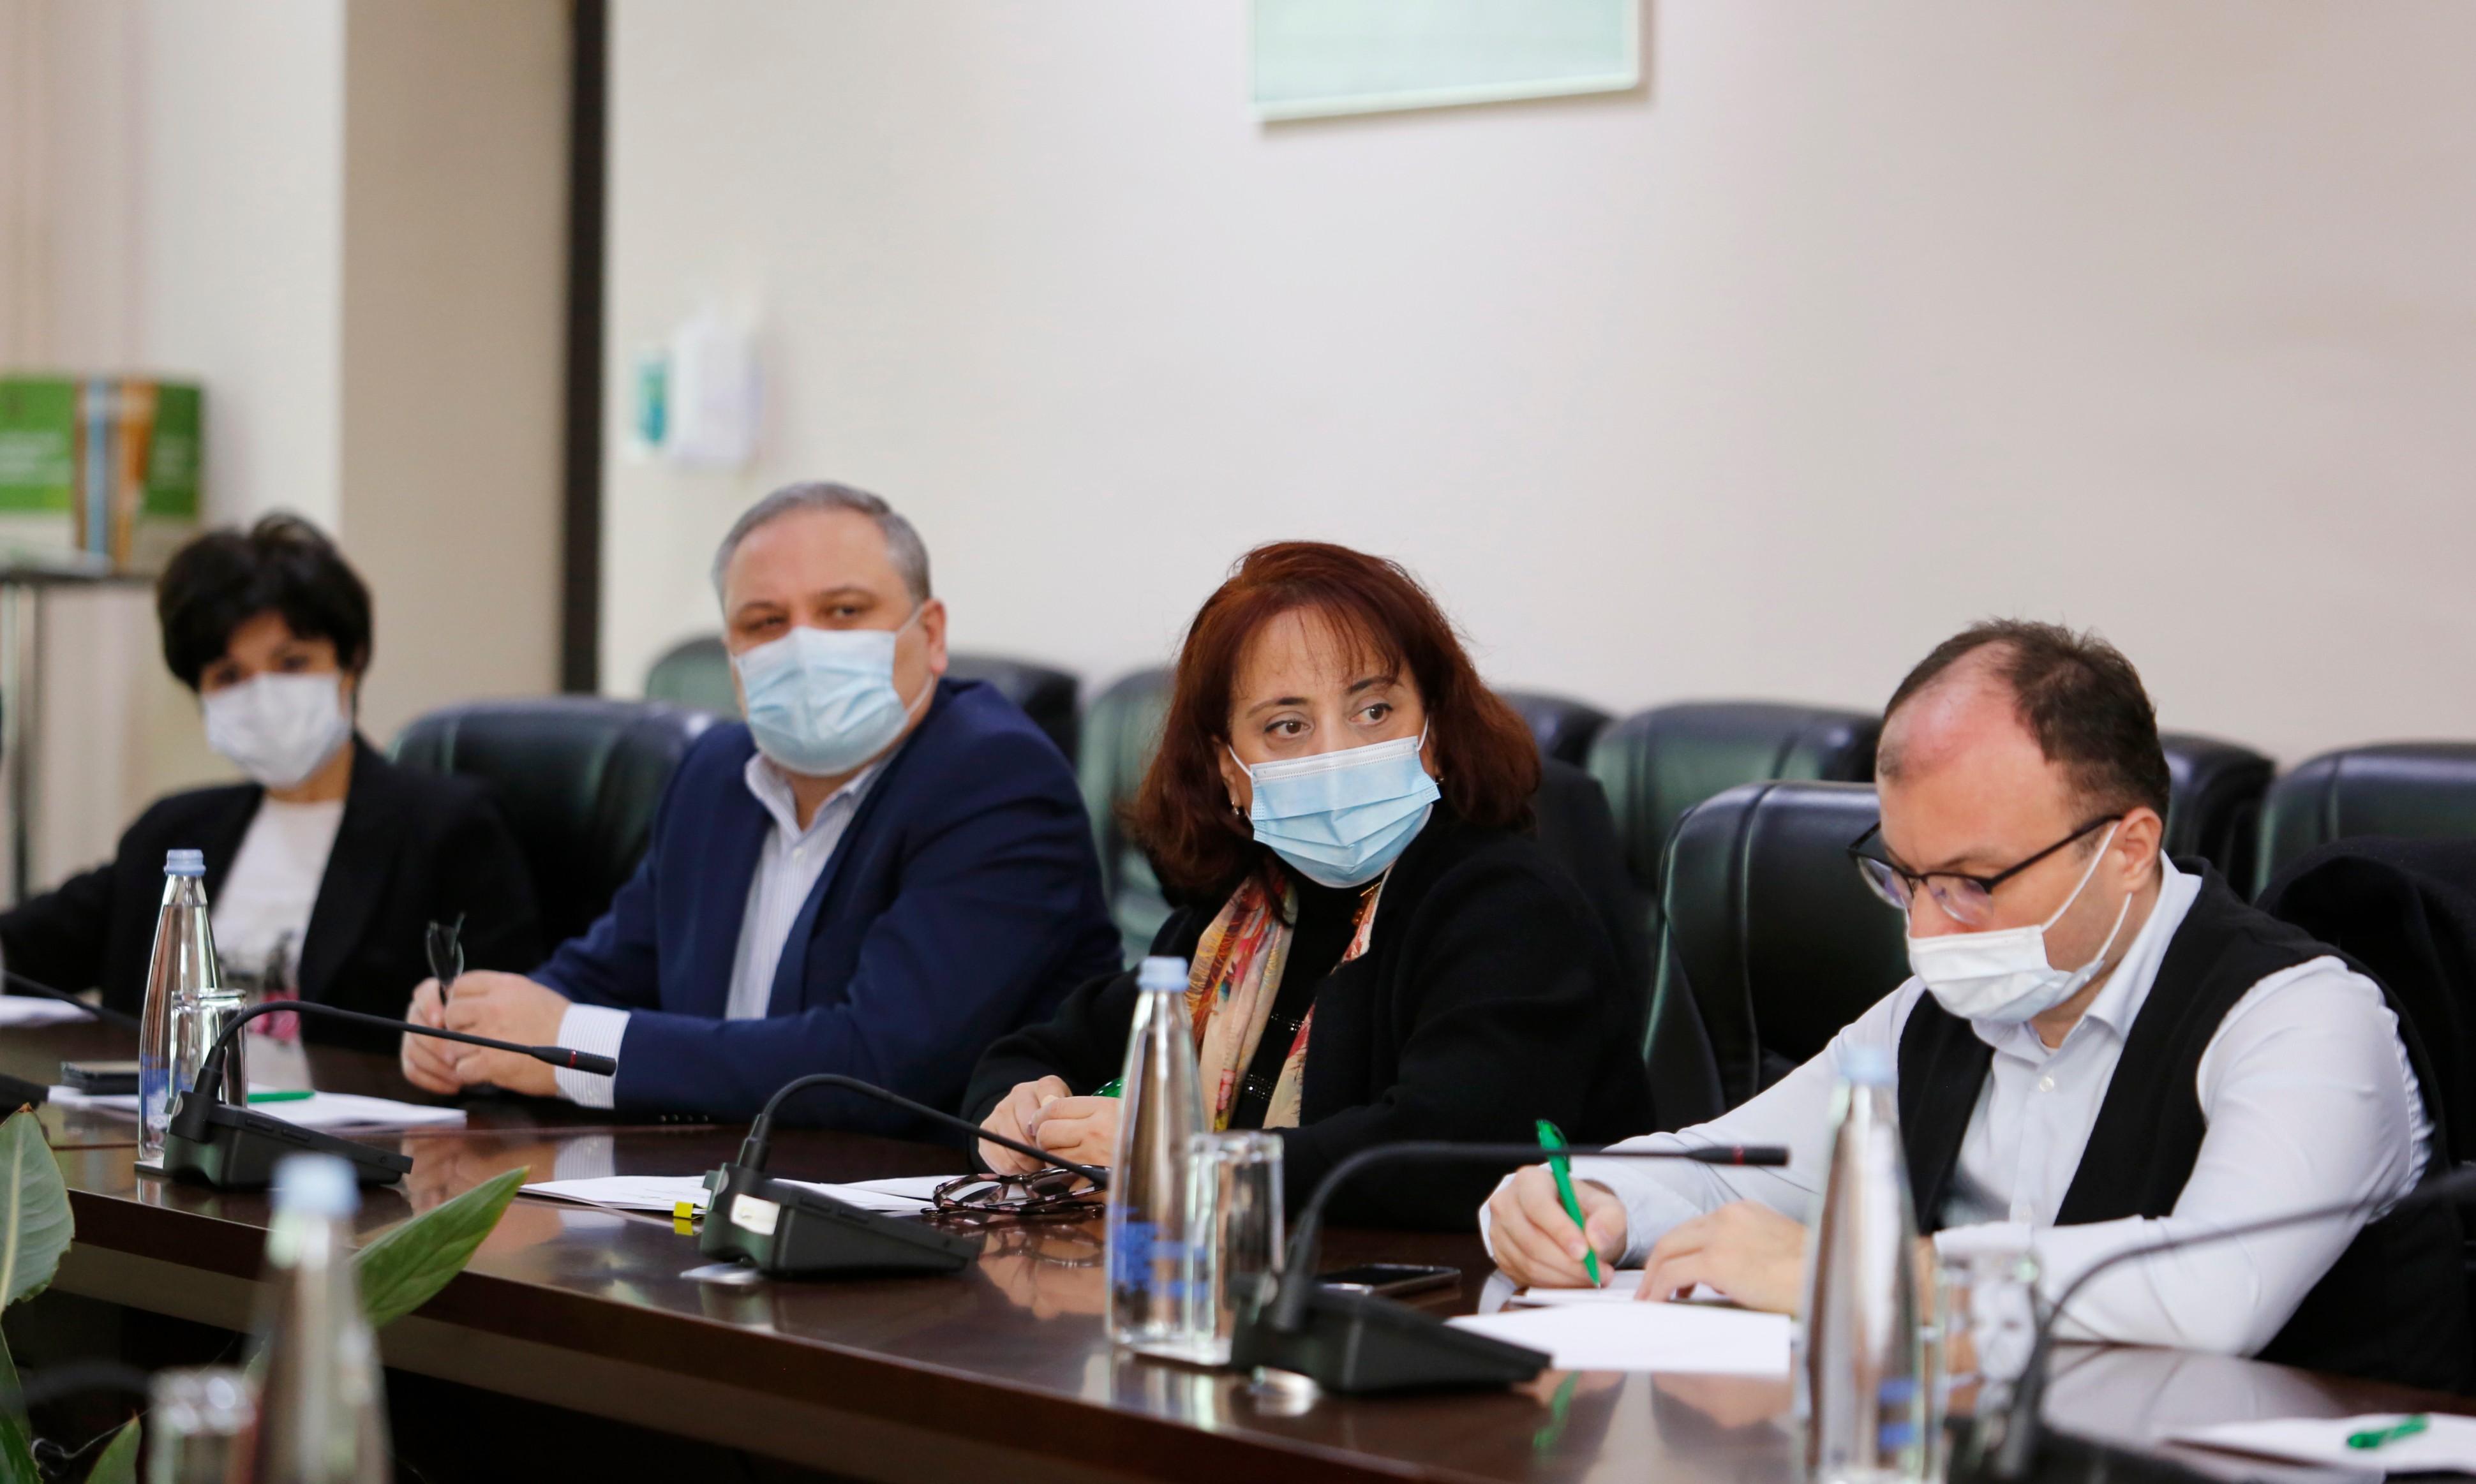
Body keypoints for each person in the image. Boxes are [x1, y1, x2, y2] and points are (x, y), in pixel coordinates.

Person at [1483, 620, 2465, 1389]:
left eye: (1973, 882)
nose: (1929, 927)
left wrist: (1860, 1273)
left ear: (2127, 848)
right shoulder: (1937, 1007)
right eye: (1905, 876)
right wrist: (1591, 1198)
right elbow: (1733, 1172)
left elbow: (2213, 1292)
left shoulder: (2304, 1019)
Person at [966, 542, 1652, 1228]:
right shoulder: (1241, 916)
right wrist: (1021, 1113)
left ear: (1435, 729)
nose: (1336, 753)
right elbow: (1038, 1052)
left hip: (1462, 1285)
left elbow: (1440, 1154)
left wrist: (1179, 1163)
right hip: (1244, 1277)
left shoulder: (1508, 906)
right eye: (1287, 726)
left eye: (1374, 711)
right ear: (1229, 770)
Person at [406, 482, 1122, 1132]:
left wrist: (568, 1045)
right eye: (765, 621)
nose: (804, 646)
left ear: (931, 635)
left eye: (844, 612)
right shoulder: (714, 773)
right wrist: (478, 1026)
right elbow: (610, 970)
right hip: (701, 1188)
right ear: (733, 656)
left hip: (922, 1207)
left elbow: (879, 1063)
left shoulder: (996, 780)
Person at [0, 514, 543, 1048]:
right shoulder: (174, 830)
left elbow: (504, 1030)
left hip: (355, 1109)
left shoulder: (448, 829)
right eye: (229, 676)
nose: (262, 694)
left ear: (351, 662)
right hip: (172, 1109)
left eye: (292, 663)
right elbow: (27, 949)